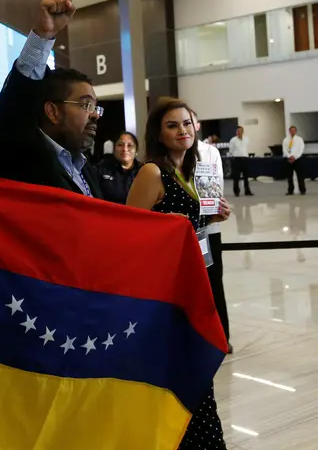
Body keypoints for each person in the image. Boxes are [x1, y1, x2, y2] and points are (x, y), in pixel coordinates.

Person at [127, 98, 230, 449]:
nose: (182, 130)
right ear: (158, 133)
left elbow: (191, 226)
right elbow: (128, 233)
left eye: (186, 123)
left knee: (200, 374)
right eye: (172, 125)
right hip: (165, 294)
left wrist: (211, 217)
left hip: (195, 282)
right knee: (184, 375)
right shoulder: (152, 172)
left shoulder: (192, 171)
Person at [0, 0, 103, 199]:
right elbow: (14, 108)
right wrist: (43, 36)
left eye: (96, 107)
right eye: (86, 105)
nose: (94, 115)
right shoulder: (22, 156)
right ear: (53, 111)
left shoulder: (84, 168)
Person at [193, 112, 232, 354]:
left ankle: (222, 336)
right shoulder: (164, 157)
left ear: (196, 125)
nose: (183, 129)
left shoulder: (209, 152)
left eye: (189, 122)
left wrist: (210, 211)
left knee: (213, 282)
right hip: (179, 230)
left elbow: (216, 189)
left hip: (209, 229)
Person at [95, 132, 142, 204]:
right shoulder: (102, 169)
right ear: (114, 149)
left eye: (129, 145)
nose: (125, 149)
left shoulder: (144, 171)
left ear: (136, 151)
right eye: (120, 145)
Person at [229, 126, 253, 197]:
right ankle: (236, 191)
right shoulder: (233, 140)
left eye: (241, 131)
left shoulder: (246, 139)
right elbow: (231, 150)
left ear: (243, 131)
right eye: (238, 131)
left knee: (246, 176)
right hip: (237, 159)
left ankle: (247, 191)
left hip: (245, 159)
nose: (239, 132)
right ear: (236, 132)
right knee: (236, 177)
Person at [283, 126, 306, 195]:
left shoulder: (299, 139)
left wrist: (295, 157)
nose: (292, 132)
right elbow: (284, 149)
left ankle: (302, 190)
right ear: (289, 131)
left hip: (297, 159)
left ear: (296, 131)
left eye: (294, 130)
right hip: (289, 160)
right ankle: (290, 190)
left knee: (300, 175)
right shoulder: (286, 140)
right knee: (289, 176)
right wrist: (289, 156)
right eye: (291, 131)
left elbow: (301, 149)